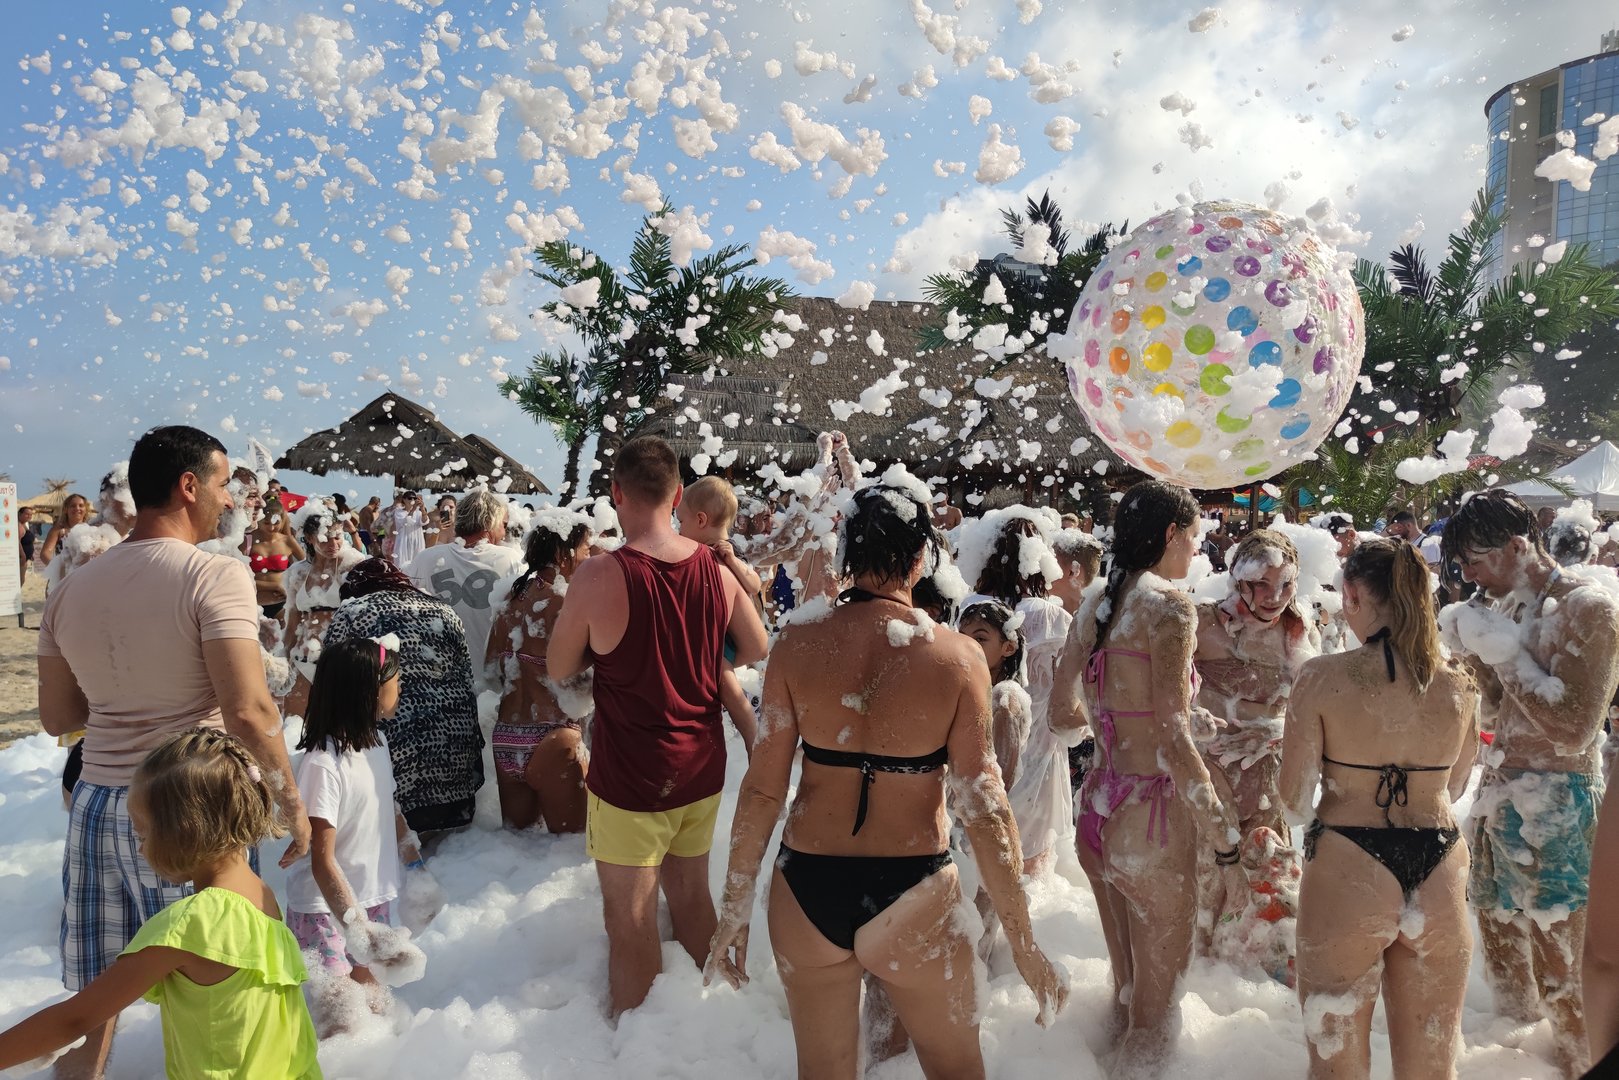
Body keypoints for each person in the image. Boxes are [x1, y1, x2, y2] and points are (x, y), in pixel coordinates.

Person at [706, 482, 1066, 1078]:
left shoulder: (797, 643)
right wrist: (1022, 940)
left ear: (846, 552)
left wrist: (734, 906)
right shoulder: (958, 658)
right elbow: (983, 805)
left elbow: (764, 788)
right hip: (913, 882)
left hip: (807, 883)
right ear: (922, 558)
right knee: (956, 1070)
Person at [36, 425, 310, 1079]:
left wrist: (125, 695)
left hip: (99, 804)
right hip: (191, 805)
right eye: (222, 484)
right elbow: (248, 710)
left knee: (95, 1003)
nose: (230, 500)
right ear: (189, 486)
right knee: (221, 999)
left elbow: (59, 718)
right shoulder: (214, 573)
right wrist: (290, 804)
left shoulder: (72, 588)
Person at [547, 436, 768, 1017]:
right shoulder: (714, 570)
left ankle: (638, 1049)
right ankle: (726, 1024)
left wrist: (611, 649)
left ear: (616, 493)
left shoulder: (600, 574)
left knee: (631, 921)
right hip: (700, 766)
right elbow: (755, 646)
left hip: (631, 777)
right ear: (677, 496)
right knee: (692, 897)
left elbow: (559, 666)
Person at [1050, 479, 1247, 1074]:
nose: (1197, 549)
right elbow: (1173, 739)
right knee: (1155, 1020)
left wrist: (1122, 726)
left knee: (1125, 997)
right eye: (1194, 537)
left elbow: (1062, 715)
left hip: (1097, 811)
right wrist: (1225, 837)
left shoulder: (1095, 602)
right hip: (1152, 824)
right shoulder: (1170, 607)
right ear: (1170, 533)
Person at [0, 729, 320, 1079]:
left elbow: (74, 1019)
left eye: (143, 834)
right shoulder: (261, 896)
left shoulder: (189, 925)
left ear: (184, 831)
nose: (140, 849)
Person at [1278, 538, 1479, 1078]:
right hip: (1438, 861)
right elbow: (1458, 785)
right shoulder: (1460, 684)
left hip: (1349, 861)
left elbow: (1293, 801)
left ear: (1351, 595)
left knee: (1337, 1064)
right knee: (1431, 1067)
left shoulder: (1321, 677)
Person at [1442, 489, 1619, 1077]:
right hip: (1500, 793)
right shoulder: (1512, 608)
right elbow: (1498, 714)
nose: (1468, 576)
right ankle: (1514, 1063)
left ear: (1518, 546)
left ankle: (1578, 1065)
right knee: (1498, 943)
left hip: (1561, 798)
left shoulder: (1588, 608)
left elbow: (1574, 727)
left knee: (1564, 967)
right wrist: (1473, 656)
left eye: (1474, 561)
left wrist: (1500, 654)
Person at [284, 639, 424, 1031]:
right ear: (370, 689)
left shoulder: (377, 743)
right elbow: (321, 860)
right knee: (338, 1019)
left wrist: (417, 866)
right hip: (324, 909)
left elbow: (389, 808)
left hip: (370, 899)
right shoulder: (323, 764)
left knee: (373, 1004)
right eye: (395, 679)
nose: (401, 686)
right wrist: (354, 924)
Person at [1193, 531, 1321, 947]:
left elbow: (1314, 713)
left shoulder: (1299, 633)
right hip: (1208, 779)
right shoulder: (1203, 624)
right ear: (1237, 578)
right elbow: (1159, 693)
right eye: (1261, 584)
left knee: (1265, 907)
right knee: (1204, 901)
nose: (1274, 597)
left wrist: (1277, 730)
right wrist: (1192, 715)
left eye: (1285, 584)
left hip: (1266, 781)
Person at [323, 559, 484, 834]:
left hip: (394, 764)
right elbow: (466, 682)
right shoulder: (445, 610)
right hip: (455, 762)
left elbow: (333, 685)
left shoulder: (353, 611)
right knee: (450, 851)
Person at [963, 510, 1073, 872]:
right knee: (1033, 863)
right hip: (1038, 741)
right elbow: (1071, 679)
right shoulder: (1049, 616)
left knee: (981, 851)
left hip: (980, 733)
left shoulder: (970, 608)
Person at [485, 510, 594, 832]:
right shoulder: (565, 602)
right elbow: (584, 682)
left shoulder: (508, 599)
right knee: (567, 850)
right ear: (563, 553)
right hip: (554, 737)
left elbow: (492, 671)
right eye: (586, 548)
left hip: (506, 735)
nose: (589, 556)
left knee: (517, 848)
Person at [405, 489, 523, 693]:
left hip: (433, 686)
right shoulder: (511, 559)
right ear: (490, 523)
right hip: (488, 688)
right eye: (503, 525)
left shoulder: (425, 558)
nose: (504, 533)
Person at [675, 475, 762, 753]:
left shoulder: (728, 550)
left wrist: (733, 561)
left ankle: (754, 744)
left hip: (725, 636)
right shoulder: (700, 550)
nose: (678, 530)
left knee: (729, 687)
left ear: (701, 520)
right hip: (719, 631)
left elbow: (755, 584)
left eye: (681, 522)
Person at [281, 508, 368, 720]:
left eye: (337, 536)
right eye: (325, 538)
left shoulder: (353, 566)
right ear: (310, 538)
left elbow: (367, 615)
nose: (333, 544)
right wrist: (284, 656)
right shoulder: (298, 572)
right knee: (294, 722)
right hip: (304, 653)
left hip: (342, 656)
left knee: (341, 723)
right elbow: (292, 620)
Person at [249, 497, 306, 620]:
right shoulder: (248, 540)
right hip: (252, 601)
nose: (271, 528)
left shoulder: (288, 541)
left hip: (281, 603)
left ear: (282, 520)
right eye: (266, 523)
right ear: (259, 519)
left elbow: (307, 566)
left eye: (276, 523)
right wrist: (275, 586)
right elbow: (240, 574)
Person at [1050, 527, 1104, 614]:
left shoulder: (1099, 616)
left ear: (1073, 571)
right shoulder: (1044, 613)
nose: (1044, 569)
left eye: (1052, 563)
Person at [385, 491, 426, 567]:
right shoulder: (398, 512)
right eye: (410, 498)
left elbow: (424, 521)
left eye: (414, 498)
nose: (412, 500)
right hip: (403, 543)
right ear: (404, 500)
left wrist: (423, 509)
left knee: (418, 565)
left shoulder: (419, 513)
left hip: (417, 542)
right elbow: (406, 521)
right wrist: (413, 509)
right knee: (402, 565)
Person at [18, 505, 34, 588]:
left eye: (31, 515)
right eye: (27, 514)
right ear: (20, 514)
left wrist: (30, 554)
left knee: (22, 580)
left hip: (25, 559)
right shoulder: (18, 526)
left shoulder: (25, 525)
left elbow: (27, 541)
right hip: (21, 559)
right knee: (20, 580)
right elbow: (17, 541)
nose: (29, 516)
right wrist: (23, 555)